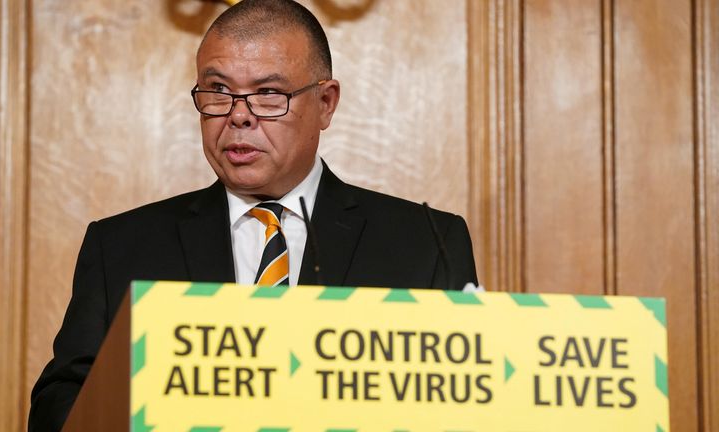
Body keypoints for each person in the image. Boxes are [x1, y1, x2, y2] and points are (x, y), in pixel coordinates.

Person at [28, 0, 478, 430]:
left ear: (325, 104)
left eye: (268, 94)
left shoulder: (427, 243)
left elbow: (464, 407)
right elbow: (57, 407)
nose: (238, 117)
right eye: (219, 91)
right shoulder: (121, 246)